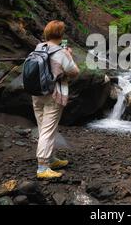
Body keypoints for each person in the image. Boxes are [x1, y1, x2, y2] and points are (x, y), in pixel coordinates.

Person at [33, 20, 80, 179]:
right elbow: (74, 72)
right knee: (48, 129)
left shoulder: (39, 47)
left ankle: (50, 159)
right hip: (53, 94)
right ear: (60, 35)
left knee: (43, 127)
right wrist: (69, 56)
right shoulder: (60, 52)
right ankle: (42, 167)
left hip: (37, 92)